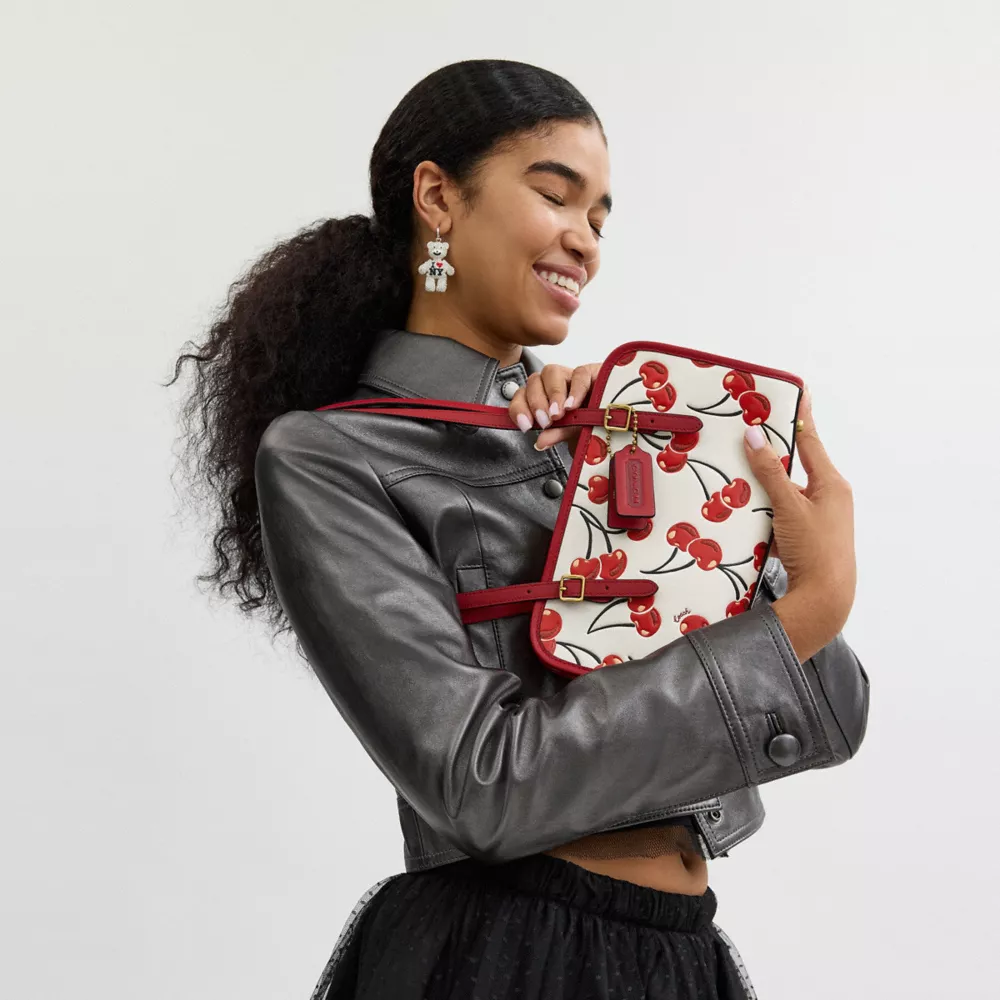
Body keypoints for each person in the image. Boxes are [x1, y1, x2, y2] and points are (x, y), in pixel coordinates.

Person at [169, 58, 868, 1000]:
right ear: (437, 197)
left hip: (681, 955)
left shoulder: (603, 437)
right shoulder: (326, 455)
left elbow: (834, 712)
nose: (584, 240)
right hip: (508, 953)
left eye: (601, 219)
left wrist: (682, 503)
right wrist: (807, 612)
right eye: (555, 195)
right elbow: (481, 786)